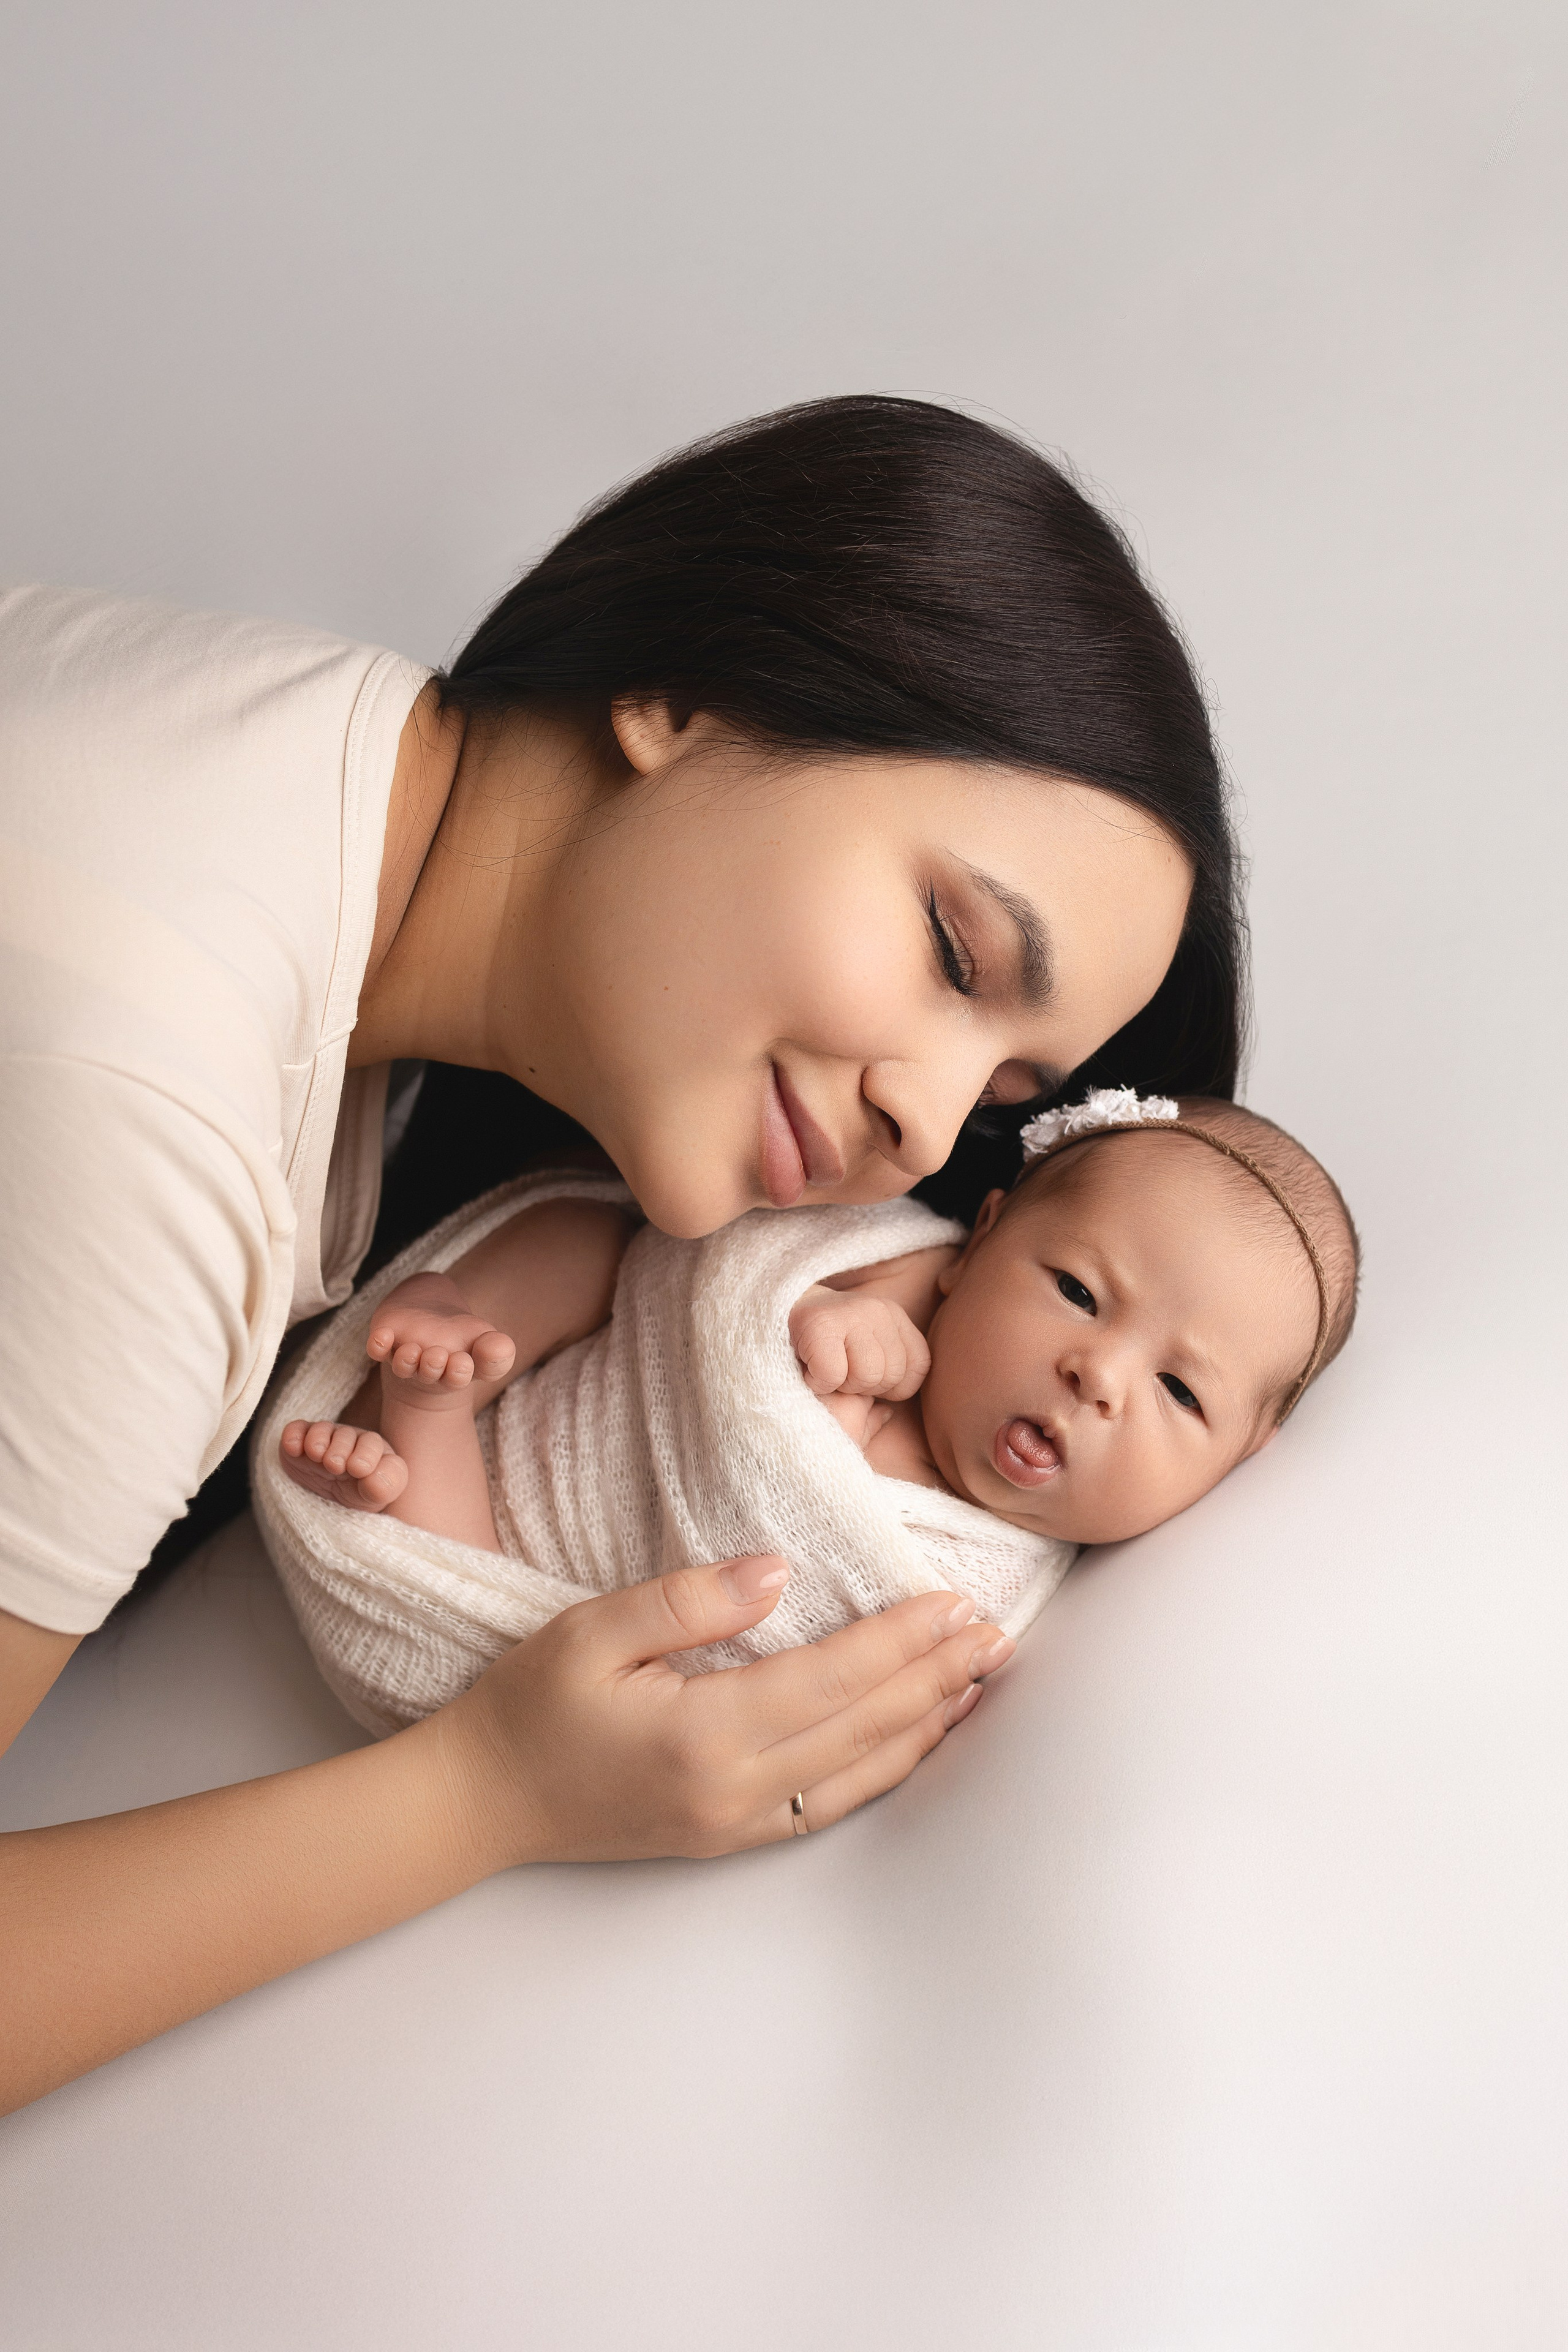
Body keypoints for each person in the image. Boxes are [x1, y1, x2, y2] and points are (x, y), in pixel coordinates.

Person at [0, 394, 1245, 2113]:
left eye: (1009, 1093)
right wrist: (487, 1793)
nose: (927, 1124)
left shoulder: (279, 741)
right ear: (680, 692)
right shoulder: (157, 1116)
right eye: (954, 948)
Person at [258, 1090, 1355, 1738]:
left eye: (1178, 1391)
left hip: (529, 1562)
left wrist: (821, 1425)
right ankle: (465, 1327)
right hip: (590, 1371)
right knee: (626, 1239)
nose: (1097, 1375)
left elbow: (764, 1642)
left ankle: (426, 1419)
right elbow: (712, 1273)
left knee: (516, 1647)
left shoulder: (977, 1583)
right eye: (1075, 1292)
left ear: (1240, 1460)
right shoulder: (894, 1259)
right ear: (983, 1235)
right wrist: (813, 1306)